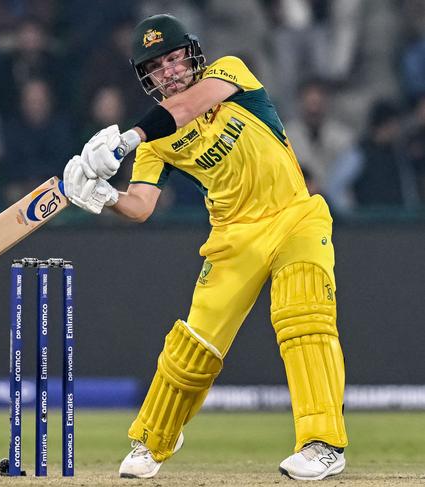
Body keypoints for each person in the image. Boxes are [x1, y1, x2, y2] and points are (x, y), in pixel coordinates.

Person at [62, 14, 348, 480]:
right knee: (194, 347)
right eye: (157, 66)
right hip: (232, 239)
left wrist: (127, 137)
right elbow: (142, 206)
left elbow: (189, 107)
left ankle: (323, 443)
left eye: (175, 58)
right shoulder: (157, 144)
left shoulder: (229, 74)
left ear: (192, 54)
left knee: (305, 319)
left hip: (295, 216)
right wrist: (104, 196)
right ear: (147, 77)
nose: (170, 71)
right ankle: (152, 441)